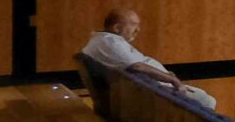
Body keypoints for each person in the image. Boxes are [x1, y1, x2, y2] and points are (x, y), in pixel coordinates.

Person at [79, 6, 216, 110]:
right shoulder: (110, 43)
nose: (138, 30)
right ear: (116, 27)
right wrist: (172, 79)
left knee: (203, 95)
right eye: (133, 24)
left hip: (149, 88)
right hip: (151, 93)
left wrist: (165, 76)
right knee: (207, 101)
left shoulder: (104, 40)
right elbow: (138, 66)